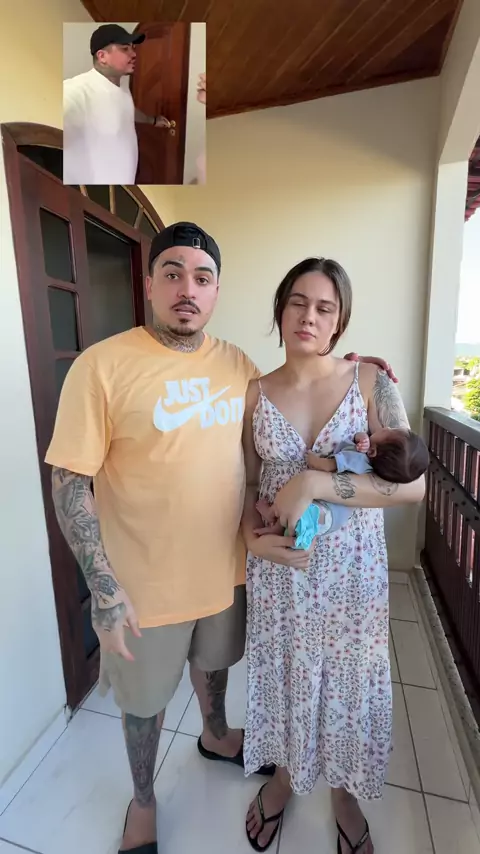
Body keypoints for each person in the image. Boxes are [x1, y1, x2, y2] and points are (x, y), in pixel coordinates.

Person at [45, 222, 414, 854]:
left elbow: (396, 480)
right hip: (179, 580)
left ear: (217, 291)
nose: (187, 289)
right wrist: (104, 586)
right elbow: (76, 479)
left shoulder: (257, 370)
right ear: (149, 282)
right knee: (169, 697)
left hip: (267, 574)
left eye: (202, 277)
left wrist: (309, 486)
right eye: (172, 274)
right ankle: (156, 802)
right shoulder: (117, 367)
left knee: (282, 676)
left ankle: (256, 756)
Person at [241, 257, 425, 852]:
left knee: (348, 680)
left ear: (340, 320)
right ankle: (285, 777)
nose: (309, 316)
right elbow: (248, 483)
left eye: (325, 307)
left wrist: (316, 482)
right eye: (298, 302)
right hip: (281, 571)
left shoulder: (370, 382)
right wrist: (251, 537)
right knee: (288, 673)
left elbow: (413, 486)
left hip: (353, 572)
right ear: (280, 308)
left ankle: (343, 793)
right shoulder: (254, 393)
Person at [256, 426, 429, 543]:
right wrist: (363, 438)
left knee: (294, 508)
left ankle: (272, 517)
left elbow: (328, 466)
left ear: (372, 451)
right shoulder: (369, 466)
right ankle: (286, 533)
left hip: (326, 512)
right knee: (301, 522)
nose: (387, 427)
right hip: (335, 517)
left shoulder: (356, 459)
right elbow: (359, 437)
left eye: (389, 431)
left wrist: (312, 459)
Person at [63, 24, 170, 185]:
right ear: (102, 56)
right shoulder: (75, 90)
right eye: (125, 49)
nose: (134, 54)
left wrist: (152, 120)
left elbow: (126, 110)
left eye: (133, 48)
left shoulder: (122, 86)